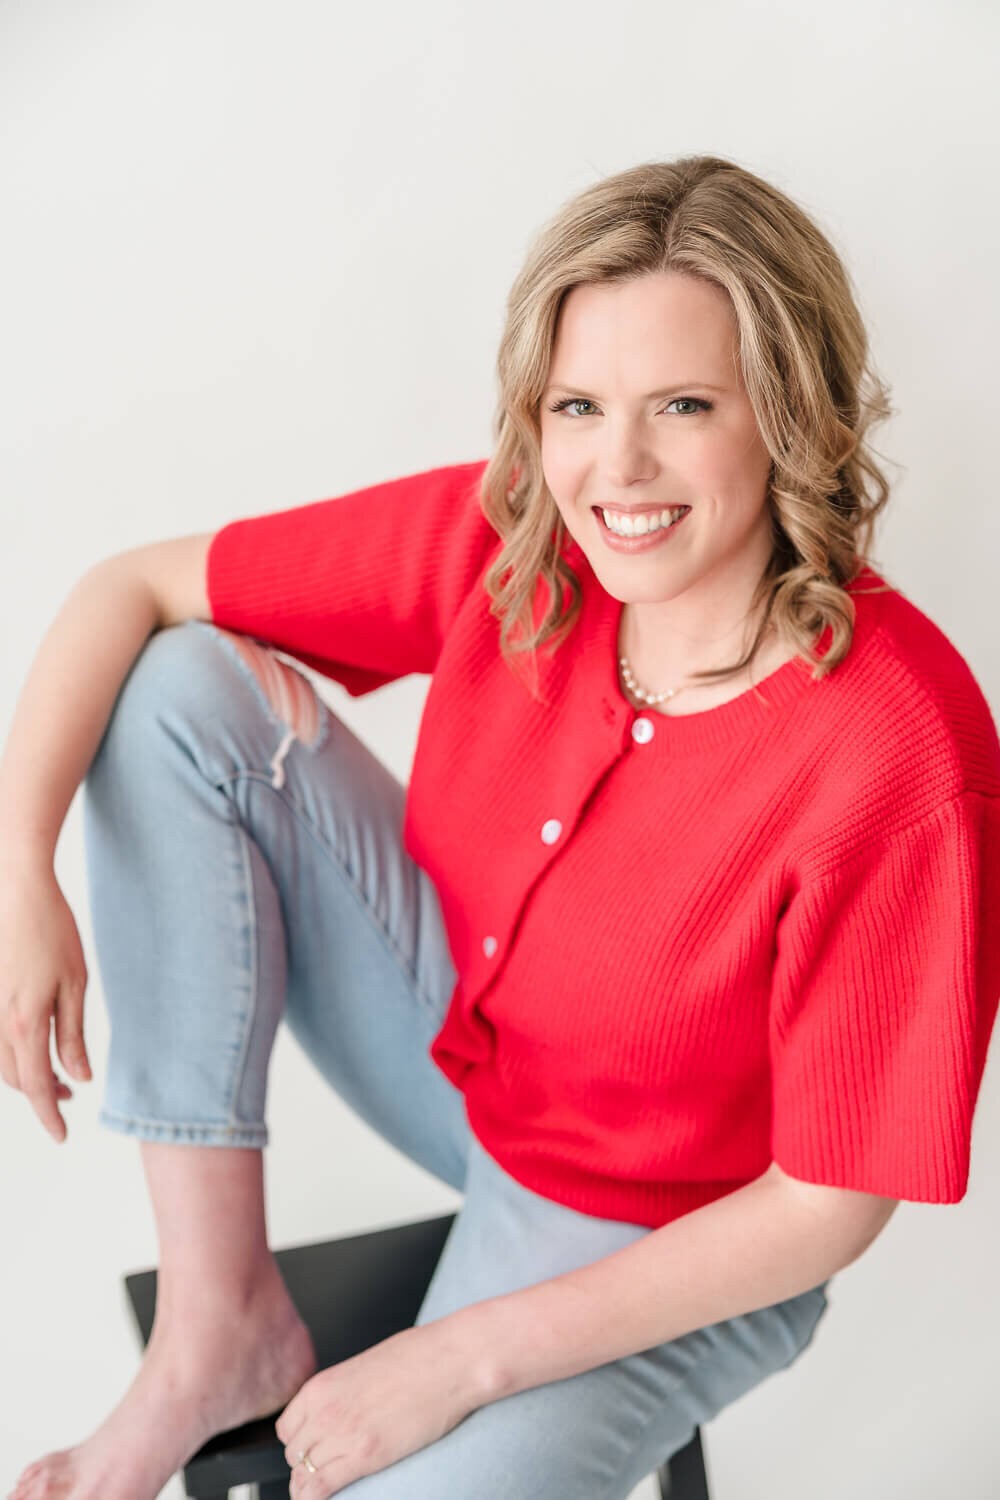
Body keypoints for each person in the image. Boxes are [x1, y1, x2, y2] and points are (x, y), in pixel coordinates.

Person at [3, 153, 999, 1500]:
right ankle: (213, 1327)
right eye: (577, 405)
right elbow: (127, 588)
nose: (616, 468)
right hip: (463, 1061)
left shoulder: (898, 745)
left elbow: (828, 1205)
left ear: (790, 416)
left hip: (677, 1236)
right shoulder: (524, 541)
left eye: (684, 406)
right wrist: (19, 871)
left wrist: (463, 1357)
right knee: (179, 689)